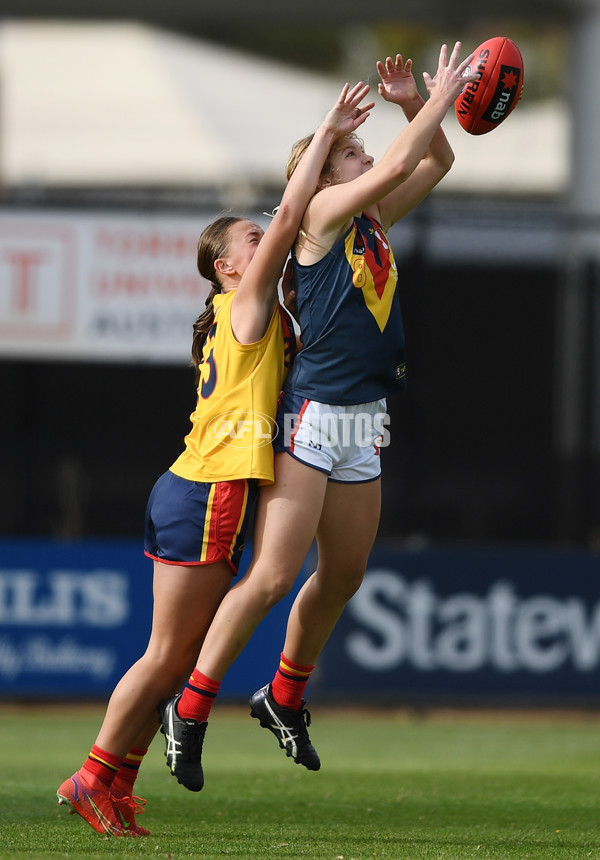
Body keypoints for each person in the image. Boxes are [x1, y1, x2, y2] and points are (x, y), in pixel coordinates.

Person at [55, 80, 375, 837]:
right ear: (229, 269)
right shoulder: (249, 302)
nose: (268, 239)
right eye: (252, 242)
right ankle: (93, 775)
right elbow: (296, 213)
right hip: (209, 491)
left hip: (195, 486)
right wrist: (327, 134)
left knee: (177, 652)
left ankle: (113, 783)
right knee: (170, 656)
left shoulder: (246, 310)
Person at [159, 42, 478, 789]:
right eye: (351, 154)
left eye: (363, 151)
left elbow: (433, 164)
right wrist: (446, 93)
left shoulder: (369, 222)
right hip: (311, 417)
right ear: (326, 175)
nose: (367, 161)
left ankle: (283, 696)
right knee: (272, 576)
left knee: (344, 574)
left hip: (361, 419)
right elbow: (402, 165)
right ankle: (193, 706)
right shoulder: (319, 225)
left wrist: (412, 105)